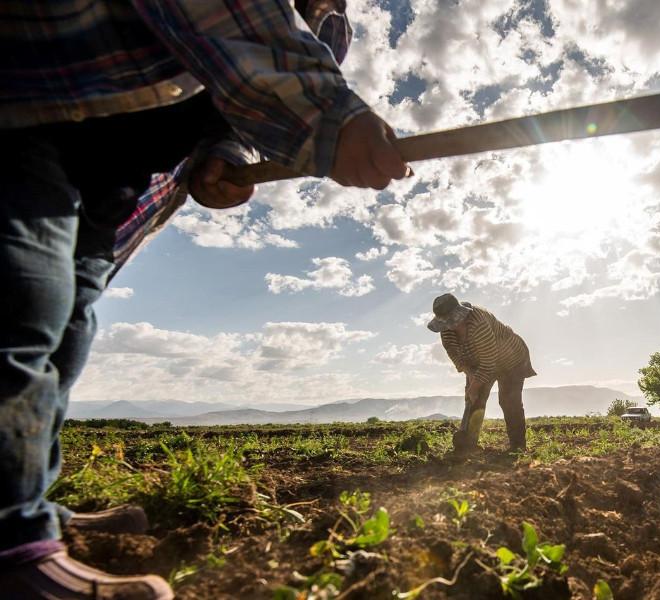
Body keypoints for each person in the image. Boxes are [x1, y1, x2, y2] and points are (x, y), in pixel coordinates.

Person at [0, 1, 409, 597]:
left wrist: (226, 155)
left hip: (119, 168)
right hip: (27, 97)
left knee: (68, 319)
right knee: (21, 300)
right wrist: (332, 116)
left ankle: (27, 504)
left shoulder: (330, 25)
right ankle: (10, 544)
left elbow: (226, 100)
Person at [427, 294, 536, 454]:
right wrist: (470, 375)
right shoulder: (446, 330)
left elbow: (489, 362)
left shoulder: (478, 323)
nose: (451, 326)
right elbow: (454, 355)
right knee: (475, 400)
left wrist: (474, 386)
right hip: (478, 362)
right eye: (447, 322)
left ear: (460, 314)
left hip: (511, 359)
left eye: (454, 321)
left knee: (508, 401)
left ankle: (518, 447)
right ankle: (468, 446)